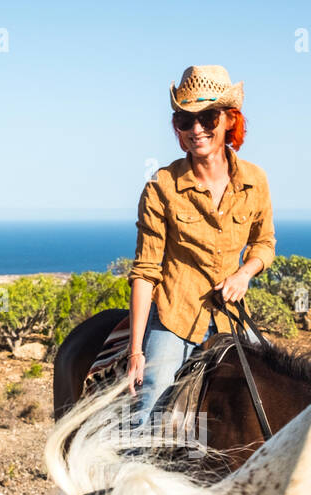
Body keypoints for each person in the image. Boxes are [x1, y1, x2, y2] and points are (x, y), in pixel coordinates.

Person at [125, 64, 276, 430]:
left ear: (228, 119)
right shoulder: (161, 186)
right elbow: (145, 272)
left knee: (277, 393)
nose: (197, 130)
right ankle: (128, 478)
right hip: (177, 318)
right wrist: (136, 351)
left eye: (207, 117)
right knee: (152, 405)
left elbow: (264, 243)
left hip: (231, 316)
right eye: (184, 119)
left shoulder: (255, 181)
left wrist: (244, 274)